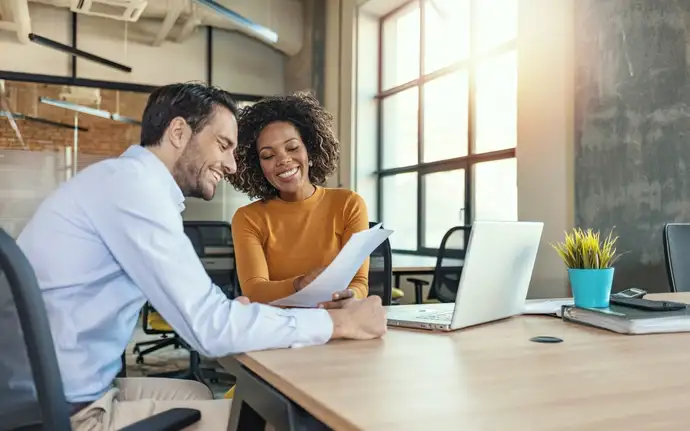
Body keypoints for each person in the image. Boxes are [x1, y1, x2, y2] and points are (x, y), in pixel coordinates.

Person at [15, 82, 387, 431]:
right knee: (273, 420)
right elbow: (209, 328)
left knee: (197, 394)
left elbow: (203, 314)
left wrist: (230, 315)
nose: (232, 165)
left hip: (63, 389)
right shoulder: (133, 191)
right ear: (179, 133)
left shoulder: (123, 182)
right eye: (224, 145)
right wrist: (338, 325)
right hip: (63, 413)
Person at [229, 92, 369, 308]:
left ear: (310, 151)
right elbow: (255, 291)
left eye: (292, 148)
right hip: (278, 328)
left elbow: (359, 283)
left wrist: (348, 297)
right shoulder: (248, 218)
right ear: (258, 167)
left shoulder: (348, 204)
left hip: (336, 320)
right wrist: (300, 284)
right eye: (268, 155)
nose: (283, 160)